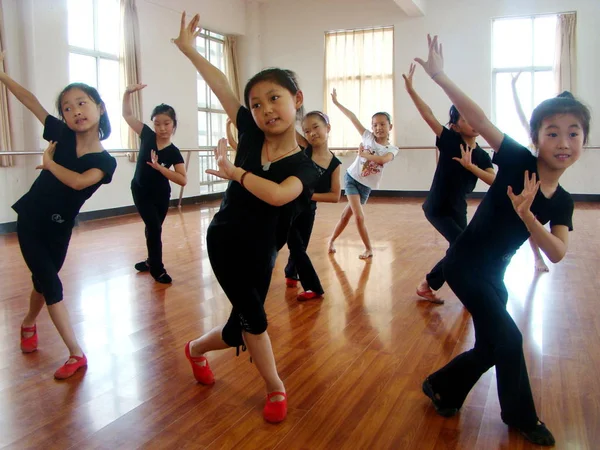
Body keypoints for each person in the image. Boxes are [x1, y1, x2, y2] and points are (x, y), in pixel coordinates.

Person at [415, 34, 590, 446]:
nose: (563, 143)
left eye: (574, 133)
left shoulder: (563, 201)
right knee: (509, 339)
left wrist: (529, 215)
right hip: (464, 264)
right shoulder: (514, 158)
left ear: (583, 140)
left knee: (493, 345)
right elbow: (478, 115)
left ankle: (442, 386)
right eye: (552, 133)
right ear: (536, 137)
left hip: (494, 274)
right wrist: (440, 76)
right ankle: (520, 415)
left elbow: (558, 252)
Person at [173, 13, 319, 423]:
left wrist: (234, 172)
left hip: (263, 252)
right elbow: (221, 84)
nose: (265, 109)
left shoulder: (306, 168)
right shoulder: (252, 136)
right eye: (256, 104)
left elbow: (276, 195)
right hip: (225, 240)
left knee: (240, 327)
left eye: (275, 98)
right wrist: (190, 51)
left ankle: (196, 349)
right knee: (255, 318)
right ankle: (275, 387)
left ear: (297, 98)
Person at [1, 51, 117, 379]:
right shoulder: (60, 135)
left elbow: (79, 182)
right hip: (30, 219)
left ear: (99, 107)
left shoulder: (105, 162)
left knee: (42, 280)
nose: (75, 111)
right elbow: (31, 101)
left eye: (81, 103)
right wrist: (3, 76)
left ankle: (27, 323)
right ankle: (76, 353)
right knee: (51, 283)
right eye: (67, 107)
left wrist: (50, 164)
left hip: (60, 227)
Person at [403, 62, 495, 304]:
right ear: (455, 124)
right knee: (464, 248)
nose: (473, 121)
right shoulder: (450, 140)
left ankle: (432, 285)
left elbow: (493, 179)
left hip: (457, 209)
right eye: (465, 117)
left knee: (463, 249)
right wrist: (412, 91)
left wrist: (471, 167)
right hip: (437, 208)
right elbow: (429, 115)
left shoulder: (482, 155)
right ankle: (430, 284)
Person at [123, 84, 187, 283]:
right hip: (140, 191)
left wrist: (161, 168)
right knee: (154, 228)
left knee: (153, 227)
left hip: (161, 196)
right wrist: (127, 93)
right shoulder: (147, 136)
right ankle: (157, 269)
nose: (161, 128)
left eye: (166, 123)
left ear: (173, 124)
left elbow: (182, 179)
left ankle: (151, 260)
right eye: (157, 123)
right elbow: (127, 115)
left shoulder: (174, 152)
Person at [327, 89, 398, 259]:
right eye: (375, 124)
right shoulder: (367, 136)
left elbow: (383, 160)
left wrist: (364, 155)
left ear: (390, 127)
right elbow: (352, 117)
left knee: (346, 215)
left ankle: (331, 240)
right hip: (352, 178)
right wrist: (336, 103)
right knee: (359, 216)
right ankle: (369, 249)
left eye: (382, 124)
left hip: (366, 186)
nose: (378, 128)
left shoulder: (392, 149)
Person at [285, 111, 342, 301]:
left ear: (328, 128)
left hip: (308, 210)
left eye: (316, 127)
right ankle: (313, 287)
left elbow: (335, 196)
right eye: (307, 130)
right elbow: (287, 126)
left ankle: (291, 272)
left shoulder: (335, 164)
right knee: (296, 245)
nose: (311, 133)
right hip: (287, 205)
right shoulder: (304, 148)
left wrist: (308, 195)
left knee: (300, 245)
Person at [511, 71, 550, 272]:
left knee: (536, 226)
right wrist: (513, 88)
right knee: (529, 226)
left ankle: (539, 257)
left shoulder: (550, 144)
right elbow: (520, 114)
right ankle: (537, 259)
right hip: (529, 189)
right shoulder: (533, 138)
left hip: (545, 190)